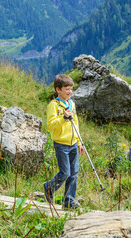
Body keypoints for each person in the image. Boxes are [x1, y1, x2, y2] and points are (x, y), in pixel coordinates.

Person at [44, 74, 85, 210]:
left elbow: (76, 123)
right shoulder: (53, 105)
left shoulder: (71, 104)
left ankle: (68, 201)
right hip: (61, 143)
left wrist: (79, 142)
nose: (69, 92)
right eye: (66, 89)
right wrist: (63, 118)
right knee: (65, 172)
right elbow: (50, 125)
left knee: (74, 173)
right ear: (58, 90)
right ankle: (49, 187)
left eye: (71, 89)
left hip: (73, 142)